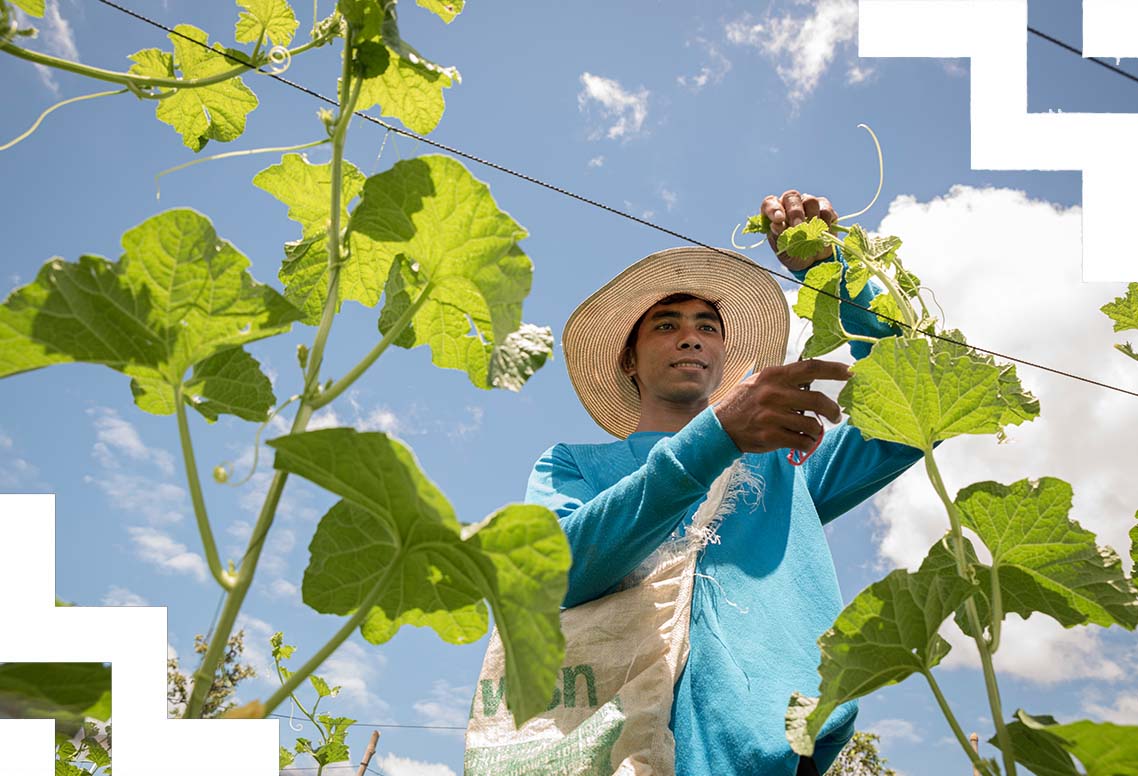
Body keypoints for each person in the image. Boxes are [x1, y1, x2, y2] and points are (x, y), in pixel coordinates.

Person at [524, 190, 926, 775]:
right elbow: (551, 574)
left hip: (786, 755)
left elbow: (915, 400)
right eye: (665, 325)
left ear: (723, 353)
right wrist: (716, 438)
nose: (690, 337)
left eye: (707, 326)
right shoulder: (571, 465)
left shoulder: (785, 461)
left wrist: (834, 270)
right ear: (629, 361)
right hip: (619, 756)